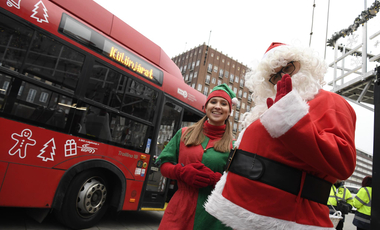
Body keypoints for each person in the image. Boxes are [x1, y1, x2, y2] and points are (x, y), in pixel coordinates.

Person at [205, 42, 357, 229]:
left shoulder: (331, 101)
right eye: (275, 75)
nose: (283, 76)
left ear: (304, 64)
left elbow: (342, 161)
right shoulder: (264, 109)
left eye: (288, 67)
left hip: (290, 221)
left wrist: (289, 115)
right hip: (237, 215)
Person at [156, 84, 236, 230]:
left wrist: (216, 180)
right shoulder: (183, 133)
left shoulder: (235, 146)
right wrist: (181, 172)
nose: (217, 106)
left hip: (213, 217)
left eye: (223, 104)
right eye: (213, 102)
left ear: (230, 111)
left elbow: (237, 184)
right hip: (179, 210)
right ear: (205, 107)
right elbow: (163, 165)